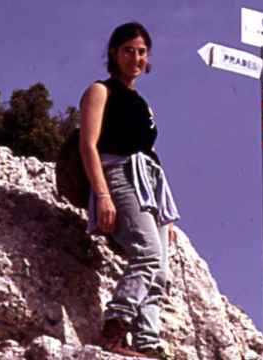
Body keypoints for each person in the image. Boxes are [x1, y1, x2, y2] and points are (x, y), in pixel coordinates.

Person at [78, 22, 180, 359]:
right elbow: (88, 146)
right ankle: (115, 327)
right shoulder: (100, 90)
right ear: (113, 53)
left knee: (160, 269)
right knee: (148, 254)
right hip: (119, 174)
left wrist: (166, 215)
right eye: (128, 50)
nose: (135, 57)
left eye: (141, 52)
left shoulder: (142, 104)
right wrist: (103, 195)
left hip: (151, 184)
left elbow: (149, 153)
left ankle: (148, 342)